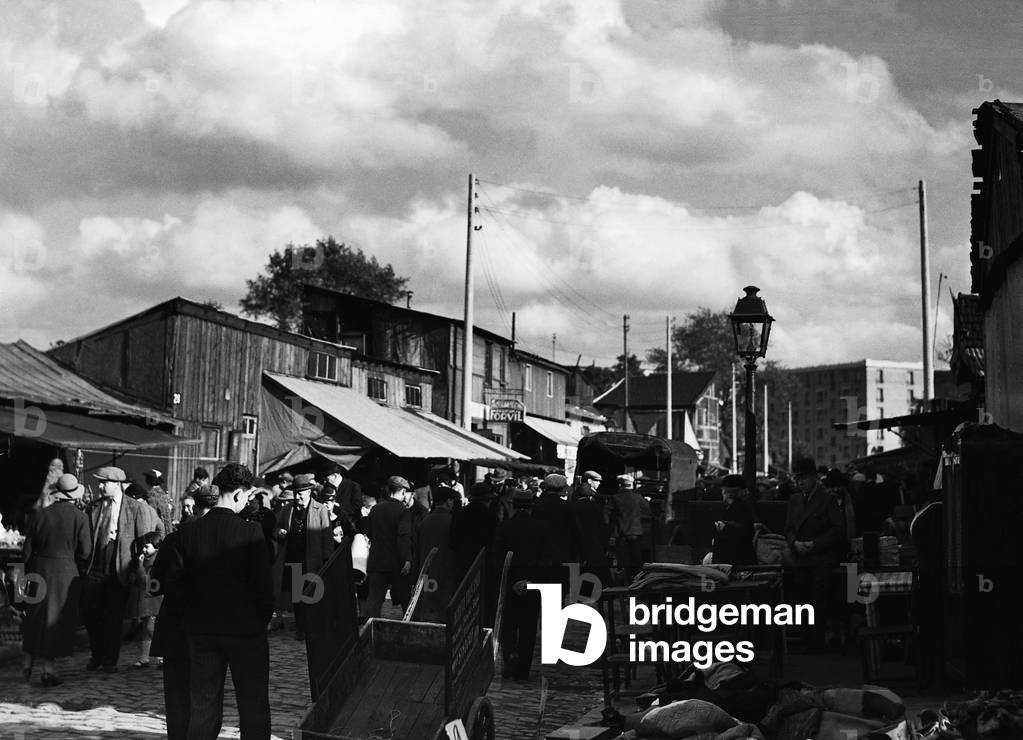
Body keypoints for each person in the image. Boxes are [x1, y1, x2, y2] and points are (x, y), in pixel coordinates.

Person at [177, 463, 273, 740]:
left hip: (202, 631)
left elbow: (179, 587)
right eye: (248, 496)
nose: (248, 502)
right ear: (238, 494)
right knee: (253, 706)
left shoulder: (189, 532)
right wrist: (259, 621)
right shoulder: (251, 532)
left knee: (203, 708)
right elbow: (264, 588)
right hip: (246, 632)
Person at [150, 483, 218, 740]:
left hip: (176, 626)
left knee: (177, 694)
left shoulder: (175, 539)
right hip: (210, 627)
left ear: (195, 508)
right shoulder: (223, 539)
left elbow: (155, 584)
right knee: (206, 694)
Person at [83, 466, 162, 673]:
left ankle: (110, 660)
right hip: (95, 565)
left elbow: (142, 539)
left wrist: (138, 568)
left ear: (117, 484)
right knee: (92, 614)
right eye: (100, 482)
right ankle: (96, 654)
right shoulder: (94, 507)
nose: (100, 486)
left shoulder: (135, 508)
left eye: (104, 482)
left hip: (120, 566)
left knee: (114, 615)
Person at [21, 473, 92, 687]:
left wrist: (29, 572)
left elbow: (26, 551)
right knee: (55, 620)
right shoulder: (80, 518)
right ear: (74, 496)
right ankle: (48, 669)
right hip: (65, 574)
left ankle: (27, 664)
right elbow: (86, 551)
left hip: (39, 570)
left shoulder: (39, 515)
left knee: (34, 617)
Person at [784, 456, 846, 652]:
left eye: (803, 478)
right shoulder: (794, 500)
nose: (799, 482)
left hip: (822, 558)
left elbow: (838, 529)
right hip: (800, 557)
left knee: (818, 600)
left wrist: (815, 544)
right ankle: (805, 638)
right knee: (801, 599)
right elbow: (789, 528)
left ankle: (816, 641)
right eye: (797, 479)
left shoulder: (827, 499)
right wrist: (794, 543)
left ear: (814, 478)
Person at [493, 487, 554, 681]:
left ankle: (510, 653)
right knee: (528, 627)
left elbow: (497, 558)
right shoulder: (542, 528)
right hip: (532, 584)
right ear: (531, 506)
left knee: (509, 624)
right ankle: (522, 670)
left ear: (513, 505)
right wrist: (530, 580)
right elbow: (547, 559)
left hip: (510, 583)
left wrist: (511, 581)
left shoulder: (504, 526)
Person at [274, 473, 335, 638]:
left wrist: (327, 559)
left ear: (309, 492)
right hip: (293, 558)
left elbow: (327, 536)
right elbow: (276, 528)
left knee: (312, 595)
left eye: (300, 494)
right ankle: (301, 628)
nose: (297, 497)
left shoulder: (320, 509)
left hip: (313, 559)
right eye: (295, 494)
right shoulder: (288, 509)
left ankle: (312, 626)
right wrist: (279, 532)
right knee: (297, 597)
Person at [364, 476, 413, 618]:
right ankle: (409, 628)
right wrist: (407, 559)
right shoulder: (403, 511)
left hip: (377, 561)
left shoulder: (375, 509)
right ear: (403, 491)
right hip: (396, 563)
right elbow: (403, 538)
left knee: (374, 601)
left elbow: (369, 533)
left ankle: (369, 629)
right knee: (406, 601)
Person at [414, 486, 458, 621]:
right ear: (448, 501)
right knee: (445, 611)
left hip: (427, 574)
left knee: (429, 609)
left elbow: (417, 548)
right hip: (447, 573)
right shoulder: (452, 521)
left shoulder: (425, 521)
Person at [530, 474, 578, 583]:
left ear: (546, 487)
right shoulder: (567, 506)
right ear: (562, 488)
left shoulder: (538, 505)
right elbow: (573, 531)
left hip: (541, 553)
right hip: (561, 554)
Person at [126, 530, 163, 668]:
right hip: (147, 599)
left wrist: (140, 567)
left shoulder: (155, 562)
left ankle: (161, 655)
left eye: (147, 546)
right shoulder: (150, 560)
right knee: (145, 629)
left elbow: (148, 582)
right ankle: (144, 657)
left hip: (153, 600)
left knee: (150, 627)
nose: (143, 549)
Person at [609, 474, 650, 583]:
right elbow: (648, 510)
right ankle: (638, 581)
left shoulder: (615, 498)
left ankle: (624, 581)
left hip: (621, 534)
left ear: (621, 485)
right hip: (635, 533)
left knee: (623, 559)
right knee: (636, 559)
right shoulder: (638, 498)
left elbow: (606, 514)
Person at [710, 474, 757, 565]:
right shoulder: (743, 506)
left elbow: (745, 532)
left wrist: (724, 527)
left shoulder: (737, 508)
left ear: (727, 492)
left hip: (734, 560)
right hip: (740, 558)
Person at [321, 462, 363, 538]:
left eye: (327, 478)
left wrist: (338, 506)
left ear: (334, 476)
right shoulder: (327, 487)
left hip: (348, 528)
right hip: (330, 526)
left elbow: (357, 507)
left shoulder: (353, 486)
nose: (325, 481)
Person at [144, 469, 175, 536]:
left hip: (158, 532)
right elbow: (173, 508)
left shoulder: (150, 495)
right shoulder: (164, 495)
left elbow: (152, 514)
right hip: (169, 531)